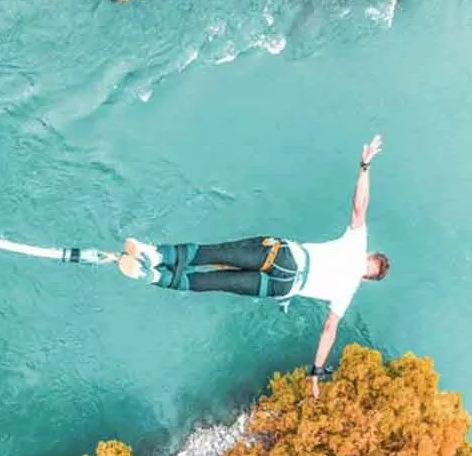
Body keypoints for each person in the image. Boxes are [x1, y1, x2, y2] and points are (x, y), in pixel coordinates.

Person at [115, 135, 389, 397]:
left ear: (369, 256)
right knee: (217, 282)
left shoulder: (357, 244)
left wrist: (365, 166)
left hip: (283, 256)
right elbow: (329, 331)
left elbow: (359, 206)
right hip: (281, 286)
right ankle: (153, 276)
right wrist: (315, 372)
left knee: (214, 253)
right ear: (367, 279)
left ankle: (155, 254)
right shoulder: (348, 290)